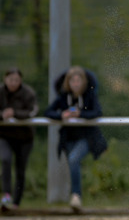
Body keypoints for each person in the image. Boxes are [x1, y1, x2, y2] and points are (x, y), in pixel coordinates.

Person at [43, 66, 107, 212]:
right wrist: (61, 115)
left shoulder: (89, 96)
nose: (76, 84)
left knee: (73, 159)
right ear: (68, 82)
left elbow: (97, 112)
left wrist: (80, 115)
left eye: (78, 80)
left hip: (86, 138)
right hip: (69, 138)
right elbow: (47, 112)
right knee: (74, 163)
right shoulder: (63, 98)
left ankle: (76, 196)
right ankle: (76, 195)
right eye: (73, 81)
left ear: (84, 82)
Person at [0, 67, 38, 211]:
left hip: (24, 138)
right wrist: (3, 115)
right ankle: (6, 193)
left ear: (21, 80)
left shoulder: (28, 93)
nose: (13, 83)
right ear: (5, 79)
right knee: (5, 159)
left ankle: (16, 202)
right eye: (11, 79)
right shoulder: (1, 92)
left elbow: (33, 111)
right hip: (4, 136)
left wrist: (15, 113)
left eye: (16, 80)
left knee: (20, 169)